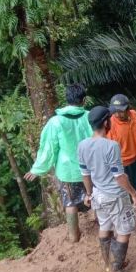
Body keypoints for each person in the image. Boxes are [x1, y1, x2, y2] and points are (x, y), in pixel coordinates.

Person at [79, 106, 136, 272]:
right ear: (106, 122)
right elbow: (119, 177)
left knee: (105, 226)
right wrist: (134, 194)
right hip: (115, 196)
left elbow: (85, 174)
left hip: (98, 194)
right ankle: (117, 269)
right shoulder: (111, 146)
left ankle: (107, 262)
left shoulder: (82, 145)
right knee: (124, 230)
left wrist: (89, 194)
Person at [24, 84, 92, 242]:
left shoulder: (55, 122)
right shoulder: (90, 116)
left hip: (67, 171)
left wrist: (38, 169)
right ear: (84, 100)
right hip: (90, 168)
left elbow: (48, 148)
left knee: (70, 202)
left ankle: (74, 236)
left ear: (67, 98)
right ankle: (102, 229)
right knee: (93, 197)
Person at [107, 94, 136, 196]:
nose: (117, 114)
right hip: (122, 164)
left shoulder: (134, 114)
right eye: (115, 111)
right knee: (126, 193)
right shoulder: (110, 123)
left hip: (135, 160)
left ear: (128, 108)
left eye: (121, 111)